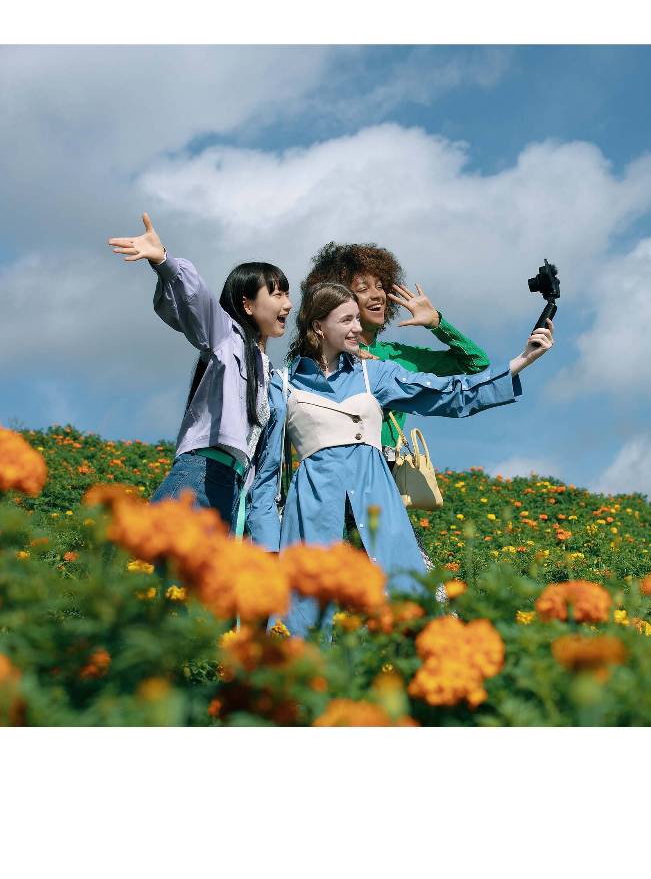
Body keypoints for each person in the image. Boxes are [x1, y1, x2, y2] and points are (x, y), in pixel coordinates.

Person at [247, 281, 553, 637]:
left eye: (357, 318)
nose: (357, 327)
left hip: (379, 508)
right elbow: (267, 476)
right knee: (306, 628)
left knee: (411, 611)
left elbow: (449, 394)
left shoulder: (374, 374)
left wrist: (521, 360)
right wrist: (267, 549)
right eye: (346, 320)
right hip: (310, 516)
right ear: (319, 326)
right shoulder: (283, 384)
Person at [107, 213, 292, 533]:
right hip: (201, 475)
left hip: (233, 487)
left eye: (287, 294)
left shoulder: (270, 373)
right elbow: (198, 301)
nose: (287, 304)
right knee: (164, 563)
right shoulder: (227, 337)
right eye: (277, 294)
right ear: (247, 305)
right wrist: (164, 261)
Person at [302, 243, 489, 467]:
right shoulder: (321, 359)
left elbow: (477, 363)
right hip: (338, 470)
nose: (377, 295)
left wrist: (437, 323)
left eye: (380, 286)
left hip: (389, 473)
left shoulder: (397, 356)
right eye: (362, 289)